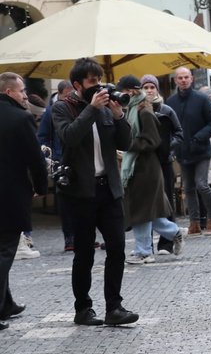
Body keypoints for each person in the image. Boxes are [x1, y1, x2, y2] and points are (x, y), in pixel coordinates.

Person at [52, 58, 138, 327]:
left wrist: (118, 116)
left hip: (108, 189)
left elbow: (126, 142)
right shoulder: (62, 108)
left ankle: (114, 307)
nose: (98, 85)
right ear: (78, 84)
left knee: (117, 248)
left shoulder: (104, 108)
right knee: (85, 253)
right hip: (80, 192)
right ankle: (83, 308)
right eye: (92, 81)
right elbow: (69, 137)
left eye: (99, 79)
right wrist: (91, 109)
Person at [116, 76, 184, 265]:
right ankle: (174, 233)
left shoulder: (144, 111)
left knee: (141, 212)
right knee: (145, 212)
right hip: (137, 166)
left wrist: (128, 145)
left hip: (146, 169)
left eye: (122, 91)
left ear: (131, 91)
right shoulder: (132, 109)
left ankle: (144, 251)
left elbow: (152, 140)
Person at [0, 73, 48, 330]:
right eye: (21, 91)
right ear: (9, 92)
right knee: (6, 250)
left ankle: (6, 304)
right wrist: (41, 187)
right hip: (9, 194)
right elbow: (35, 158)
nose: (25, 95)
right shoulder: (21, 118)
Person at [166, 66, 211, 236]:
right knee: (188, 188)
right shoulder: (171, 102)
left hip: (201, 150)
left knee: (202, 185)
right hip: (183, 152)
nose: (183, 80)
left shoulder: (202, 99)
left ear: (192, 79)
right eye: (180, 78)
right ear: (175, 80)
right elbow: (168, 127)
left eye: (186, 77)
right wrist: (173, 144)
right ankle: (194, 223)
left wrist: (199, 137)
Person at [139, 74, 183, 254]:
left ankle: (167, 242)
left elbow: (179, 133)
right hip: (145, 163)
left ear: (157, 89)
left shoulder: (166, 110)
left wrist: (168, 149)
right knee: (144, 202)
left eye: (152, 87)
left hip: (164, 162)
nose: (149, 91)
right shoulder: (137, 110)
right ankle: (146, 245)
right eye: (146, 87)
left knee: (166, 200)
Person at [37, 80, 75, 251]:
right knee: (66, 203)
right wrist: (52, 156)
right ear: (59, 94)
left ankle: (81, 236)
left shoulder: (76, 108)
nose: (70, 98)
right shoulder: (51, 111)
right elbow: (43, 136)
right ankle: (70, 238)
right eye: (67, 95)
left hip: (76, 161)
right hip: (60, 162)